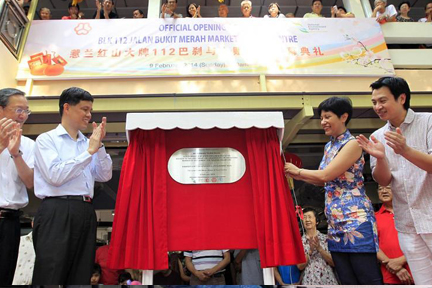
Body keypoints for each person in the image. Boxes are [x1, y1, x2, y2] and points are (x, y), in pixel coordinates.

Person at [285, 97, 382, 284]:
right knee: (345, 279)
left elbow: (325, 175)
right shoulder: (329, 146)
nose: (323, 122)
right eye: (321, 118)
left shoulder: (352, 144)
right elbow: (324, 180)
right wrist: (299, 176)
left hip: (355, 221)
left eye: (327, 116)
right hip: (335, 223)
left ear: (344, 116)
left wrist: (298, 171)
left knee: (367, 279)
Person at [32, 87, 113, 284]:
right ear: (67, 108)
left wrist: (99, 147)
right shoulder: (46, 139)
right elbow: (55, 176)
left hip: (85, 209)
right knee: (51, 271)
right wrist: (88, 153)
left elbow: (104, 175)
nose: (89, 115)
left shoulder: (88, 142)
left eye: (90, 110)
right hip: (57, 209)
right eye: (84, 109)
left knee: (81, 272)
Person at [357, 76, 432, 285]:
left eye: (382, 101)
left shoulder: (428, 122)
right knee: (424, 282)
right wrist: (381, 158)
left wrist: (405, 150)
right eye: (374, 103)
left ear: (401, 98)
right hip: (407, 223)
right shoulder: (378, 136)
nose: (377, 107)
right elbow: (383, 180)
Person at [0, 88, 34, 285]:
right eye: (18, 110)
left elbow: (30, 182)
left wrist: (15, 153)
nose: (23, 116)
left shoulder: (29, 145)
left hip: (10, 221)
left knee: (5, 276)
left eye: (26, 111)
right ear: (1, 110)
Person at [375, 185, 414, 284]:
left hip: (417, 269)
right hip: (391, 275)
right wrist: (394, 267)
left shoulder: (410, 213)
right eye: (380, 189)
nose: (384, 191)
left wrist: (401, 261)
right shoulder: (374, 218)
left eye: (388, 188)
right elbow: (372, 245)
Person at [297, 207, 338, 285]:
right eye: (304, 217)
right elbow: (299, 267)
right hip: (309, 282)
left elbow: (334, 263)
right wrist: (310, 251)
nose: (307, 220)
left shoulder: (326, 239)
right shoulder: (300, 242)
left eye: (310, 217)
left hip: (328, 281)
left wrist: (320, 249)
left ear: (317, 221)